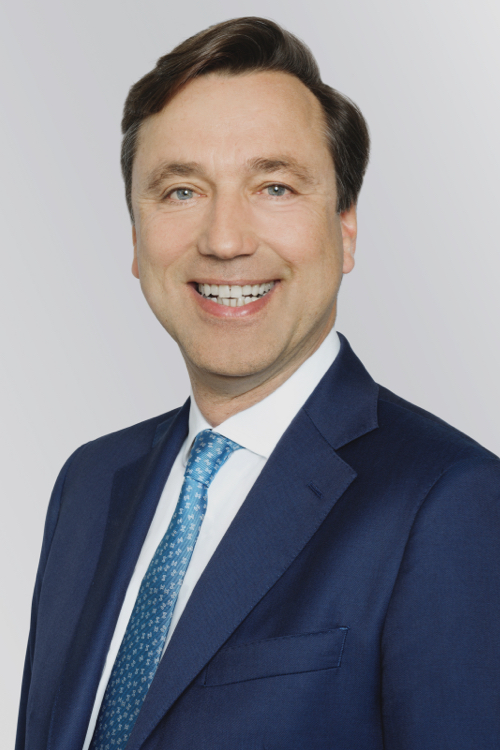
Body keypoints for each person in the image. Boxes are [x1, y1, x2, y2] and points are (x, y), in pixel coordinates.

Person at [16, 16, 500, 750]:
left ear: (345, 228)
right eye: (181, 191)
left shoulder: (450, 502)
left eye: (274, 187)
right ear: (136, 238)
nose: (225, 240)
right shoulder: (87, 485)